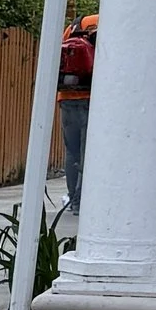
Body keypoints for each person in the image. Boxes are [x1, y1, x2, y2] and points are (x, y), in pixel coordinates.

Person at [56, 12, 97, 216]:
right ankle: (81, 203)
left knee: (72, 151)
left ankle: (73, 199)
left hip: (66, 96)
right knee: (87, 152)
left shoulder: (77, 24)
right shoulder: (109, 21)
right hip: (92, 97)